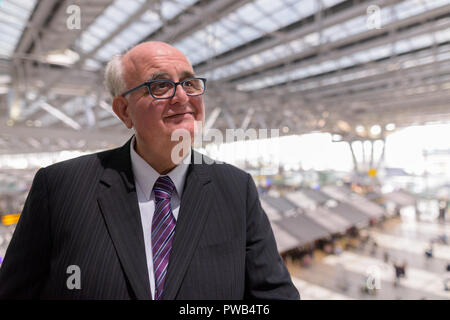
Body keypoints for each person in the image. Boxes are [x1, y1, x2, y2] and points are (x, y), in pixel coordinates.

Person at [0, 42, 299, 300]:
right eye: (160, 85)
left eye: (189, 83)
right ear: (124, 111)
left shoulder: (236, 188)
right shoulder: (60, 188)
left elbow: (273, 295)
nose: (182, 97)